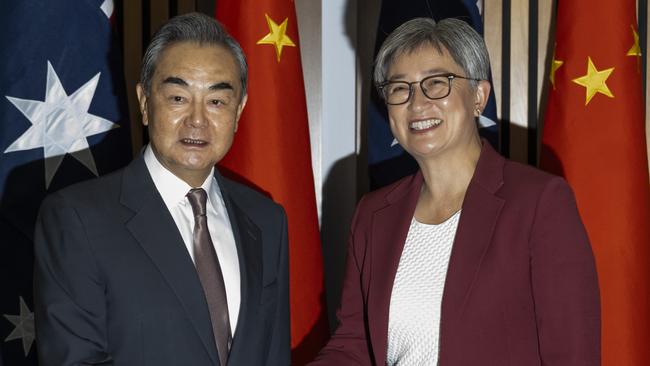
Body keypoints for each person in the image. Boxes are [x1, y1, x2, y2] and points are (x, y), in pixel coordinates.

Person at [311, 17, 600, 365]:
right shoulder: (372, 215)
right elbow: (353, 345)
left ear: (479, 96)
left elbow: (571, 354)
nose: (417, 104)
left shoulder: (539, 203)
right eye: (400, 88)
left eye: (437, 83)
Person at [33, 13, 289, 366]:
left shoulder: (266, 219)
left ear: (239, 109)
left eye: (216, 101)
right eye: (178, 98)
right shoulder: (76, 218)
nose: (197, 120)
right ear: (144, 101)